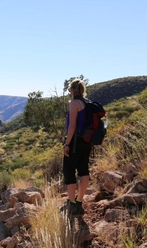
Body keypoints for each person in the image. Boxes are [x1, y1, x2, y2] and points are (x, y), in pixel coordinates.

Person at [61, 78, 92, 216]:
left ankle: (72, 203)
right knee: (83, 170)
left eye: (69, 90)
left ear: (73, 90)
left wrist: (67, 144)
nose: (69, 92)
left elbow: (72, 125)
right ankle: (79, 201)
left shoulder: (74, 103)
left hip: (75, 142)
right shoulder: (87, 102)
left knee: (69, 170)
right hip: (86, 141)